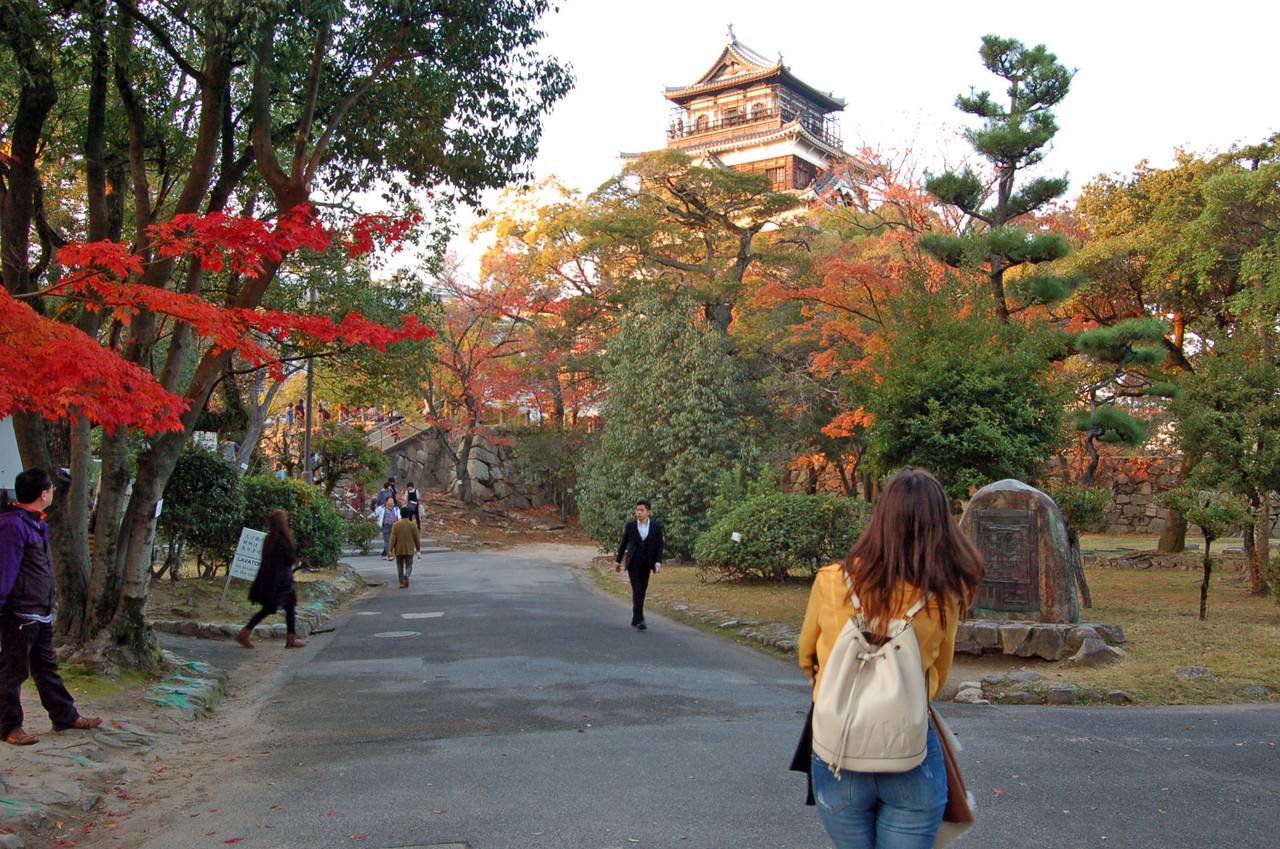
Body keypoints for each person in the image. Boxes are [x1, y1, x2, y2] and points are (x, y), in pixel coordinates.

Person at [798, 467, 985, 849]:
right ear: (940, 524)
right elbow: (939, 674)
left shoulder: (831, 580)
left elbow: (806, 657)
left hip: (838, 750)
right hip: (908, 752)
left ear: (880, 518)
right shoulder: (944, 595)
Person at [1, 468, 102, 745]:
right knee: (13, 672)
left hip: (41, 611)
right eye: (52, 490)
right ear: (43, 494)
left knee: (46, 667)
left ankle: (64, 715)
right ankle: (9, 726)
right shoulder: (13, 525)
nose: (53, 494)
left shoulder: (37, 523)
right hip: (20, 612)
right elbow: (5, 571)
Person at [237, 510, 306, 649]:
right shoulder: (284, 539)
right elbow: (289, 560)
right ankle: (290, 638)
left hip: (269, 581)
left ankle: (245, 632)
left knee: (268, 609)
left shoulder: (269, 539)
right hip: (283, 582)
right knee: (289, 609)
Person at [614, 498, 663, 631]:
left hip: (647, 564)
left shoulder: (656, 527)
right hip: (633, 563)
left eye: (642, 510)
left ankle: (636, 617)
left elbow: (659, 546)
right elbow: (624, 544)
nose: (639, 513)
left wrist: (658, 562)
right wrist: (618, 561)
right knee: (637, 589)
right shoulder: (631, 526)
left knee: (643, 589)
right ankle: (640, 618)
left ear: (648, 512)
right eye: (637, 510)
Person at [389, 506, 421, 589]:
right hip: (409, 549)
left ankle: (401, 583)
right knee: (409, 565)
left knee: (399, 566)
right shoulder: (413, 525)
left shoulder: (396, 525)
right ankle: (407, 575)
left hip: (398, 549)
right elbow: (416, 538)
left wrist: (390, 549)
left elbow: (393, 538)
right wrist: (418, 549)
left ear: (401, 514)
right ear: (408, 514)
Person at [374, 496, 398, 561]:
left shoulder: (396, 509)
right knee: (388, 541)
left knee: (392, 541)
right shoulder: (382, 508)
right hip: (386, 526)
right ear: (386, 502)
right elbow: (374, 514)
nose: (391, 502)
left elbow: (399, 517)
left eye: (392, 500)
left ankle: (384, 553)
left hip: (393, 527)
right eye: (390, 500)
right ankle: (389, 555)